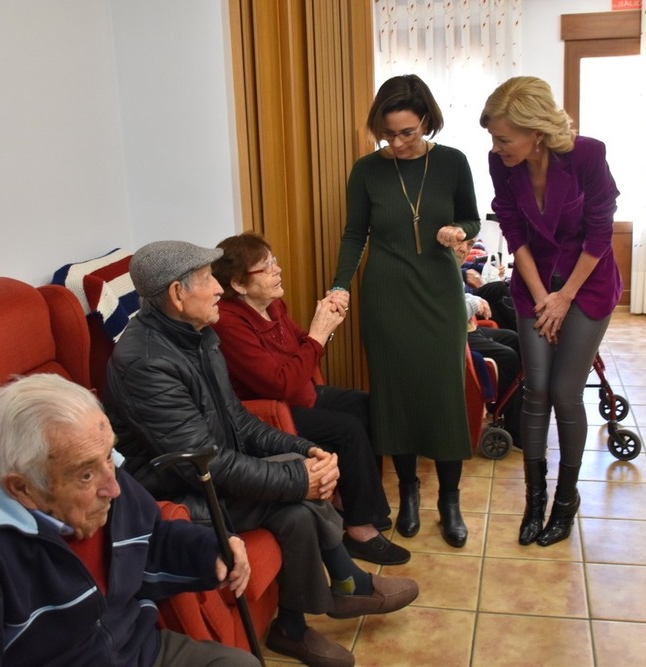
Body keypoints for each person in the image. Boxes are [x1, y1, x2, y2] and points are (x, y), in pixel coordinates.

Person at [104, 240, 419, 667]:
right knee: (297, 497)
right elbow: (204, 464)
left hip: (211, 473)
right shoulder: (145, 363)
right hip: (175, 494)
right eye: (208, 281)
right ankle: (346, 585)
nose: (219, 290)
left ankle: (299, 622)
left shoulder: (199, 334)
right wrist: (302, 477)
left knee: (296, 497)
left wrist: (305, 447)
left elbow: (238, 420)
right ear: (178, 295)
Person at [0, 373, 260, 667]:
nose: (113, 487)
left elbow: (153, 539)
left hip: (140, 652)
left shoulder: (107, 479)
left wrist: (210, 548)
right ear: (23, 488)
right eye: (85, 475)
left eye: (109, 454)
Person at [329, 74, 481, 548]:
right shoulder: (367, 170)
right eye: (388, 133)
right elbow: (356, 234)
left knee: (443, 395)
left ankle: (449, 500)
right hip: (385, 295)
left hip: (438, 294)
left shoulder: (452, 162)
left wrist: (458, 232)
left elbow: (472, 217)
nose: (396, 142)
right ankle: (410, 493)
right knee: (395, 398)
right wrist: (340, 286)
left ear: (426, 122)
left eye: (407, 132)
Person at [480, 76, 622, 547]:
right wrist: (544, 296)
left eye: (504, 138)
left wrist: (565, 298)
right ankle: (534, 500)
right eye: (493, 139)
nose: (497, 148)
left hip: (588, 283)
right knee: (536, 386)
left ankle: (566, 499)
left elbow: (600, 235)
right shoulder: (503, 164)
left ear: (536, 132)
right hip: (535, 284)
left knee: (565, 390)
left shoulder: (587, 156)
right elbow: (515, 234)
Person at [210, 232, 407, 566]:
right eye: (266, 267)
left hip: (304, 394)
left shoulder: (273, 304)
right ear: (240, 284)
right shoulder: (229, 323)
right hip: (270, 414)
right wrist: (318, 334)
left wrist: (322, 328)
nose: (278, 270)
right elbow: (280, 383)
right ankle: (360, 530)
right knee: (346, 430)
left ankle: (358, 505)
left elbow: (302, 345)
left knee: (371, 407)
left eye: (273, 261)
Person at [455, 238, 523, 448]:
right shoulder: (442, 267)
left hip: (469, 327)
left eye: (469, 244)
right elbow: (451, 313)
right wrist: (475, 301)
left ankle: (519, 412)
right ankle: (505, 417)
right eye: (462, 244)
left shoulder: (454, 266)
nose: (465, 249)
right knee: (508, 356)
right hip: (458, 333)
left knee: (516, 340)